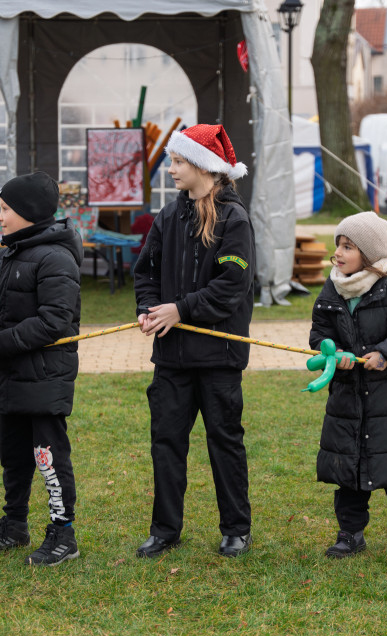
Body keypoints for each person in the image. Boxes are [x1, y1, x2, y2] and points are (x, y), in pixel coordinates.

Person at [132, 124, 255, 559]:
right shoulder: (168, 216)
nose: (171, 169)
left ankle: (236, 529)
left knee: (224, 442)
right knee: (166, 442)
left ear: (204, 166)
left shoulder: (234, 219)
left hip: (219, 357)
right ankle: (165, 530)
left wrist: (181, 310)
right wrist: (149, 308)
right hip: (172, 358)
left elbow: (232, 285)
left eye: (179, 161)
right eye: (172, 161)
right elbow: (145, 271)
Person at [0, 171, 85, 567]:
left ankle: (63, 533)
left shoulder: (56, 258)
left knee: (48, 457)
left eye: (5, 209)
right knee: (14, 457)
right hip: (13, 376)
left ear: (29, 212)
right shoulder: (6, 257)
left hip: (46, 377)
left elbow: (54, 321)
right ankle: (14, 525)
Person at [309, 211, 387, 558]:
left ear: (370, 253)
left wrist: (386, 353)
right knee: (349, 468)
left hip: (386, 395)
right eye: (338, 245)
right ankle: (350, 533)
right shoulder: (332, 289)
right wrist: (333, 352)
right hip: (346, 394)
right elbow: (319, 334)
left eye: (348, 247)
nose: (338, 253)